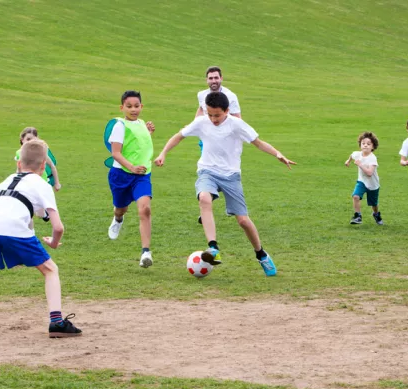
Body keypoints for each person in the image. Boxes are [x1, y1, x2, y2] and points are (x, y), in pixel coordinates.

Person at [154, 92, 295, 277]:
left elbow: (258, 143)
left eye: (217, 115)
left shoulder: (236, 125)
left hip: (231, 176)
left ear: (227, 111)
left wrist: (278, 154)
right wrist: (163, 153)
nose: (213, 119)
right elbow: (178, 136)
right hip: (207, 171)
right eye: (210, 115)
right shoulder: (201, 122)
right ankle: (213, 248)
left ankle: (261, 254)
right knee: (204, 198)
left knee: (243, 221)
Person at [0, 139, 81, 338]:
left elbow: (13, 210)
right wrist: (53, 243)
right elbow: (58, 227)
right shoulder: (43, 185)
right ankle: (56, 322)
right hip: (12, 229)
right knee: (50, 269)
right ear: (43, 166)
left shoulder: (6, 180)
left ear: (19, 163)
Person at [105, 91, 156, 267]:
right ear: (122, 108)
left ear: (141, 106)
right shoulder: (120, 126)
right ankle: (118, 219)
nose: (133, 109)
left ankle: (145, 253)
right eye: (129, 106)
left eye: (136, 106)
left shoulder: (142, 123)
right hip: (121, 175)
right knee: (121, 209)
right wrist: (131, 167)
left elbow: (140, 146)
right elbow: (115, 153)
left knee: (145, 210)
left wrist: (148, 133)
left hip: (142, 176)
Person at [194, 66, 242, 224]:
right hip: (207, 139)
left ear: (221, 78)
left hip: (226, 143)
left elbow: (237, 119)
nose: (213, 81)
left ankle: (230, 204)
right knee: (208, 170)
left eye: (216, 78)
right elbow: (200, 111)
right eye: (210, 78)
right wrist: (194, 128)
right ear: (206, 80)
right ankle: (205, 204)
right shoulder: (202, 95)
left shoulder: (230, 96)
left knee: (225, 171)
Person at [345, 132, 383, 225]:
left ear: (373, 147)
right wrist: (348, 161)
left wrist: (360, 164)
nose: (365, 145)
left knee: (373, 204)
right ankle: (358, 216)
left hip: (372, 185)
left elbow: (370, 173)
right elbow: (352, 155)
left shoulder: (372, 158)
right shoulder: (357, 154)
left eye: (368, 144)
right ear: (360, 145)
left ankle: (376, 214)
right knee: (355, 196)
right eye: (363, 143)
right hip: (362, 181)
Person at [16, 127, 61, 192]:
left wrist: (57, 183)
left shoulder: (40, 153)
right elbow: (18, 170)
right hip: (28, 183)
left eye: (34, 140)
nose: (30, 142)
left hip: (42, 183)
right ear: (22, 139)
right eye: (28, 139)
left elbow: (52, 165)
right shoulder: (19, 153)